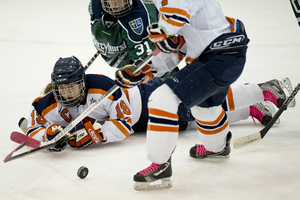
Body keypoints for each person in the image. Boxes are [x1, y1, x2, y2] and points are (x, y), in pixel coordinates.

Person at [113, 0, 289, 191]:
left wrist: (165, 29)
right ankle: (218, 147)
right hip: (218, 56)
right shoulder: (163, 7)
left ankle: (160, 164)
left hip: (221, 53)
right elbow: (176, 50)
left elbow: (178, 12)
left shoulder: (172, 7)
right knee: (204, 108)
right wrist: (145, 70)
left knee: (162, 99)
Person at [25, 56, 292, 153]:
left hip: (148, 100)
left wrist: (97, 134)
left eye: (73, 86)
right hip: (146, 122)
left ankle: (262, 92)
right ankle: (252, 109)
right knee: (194, 119)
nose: (68, 93)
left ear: (82, 82)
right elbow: (32, 127)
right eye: (63, 88)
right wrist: (47, 134)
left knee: (201, 100)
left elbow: (124, 123)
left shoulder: (102, 87)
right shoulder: (49, 104)